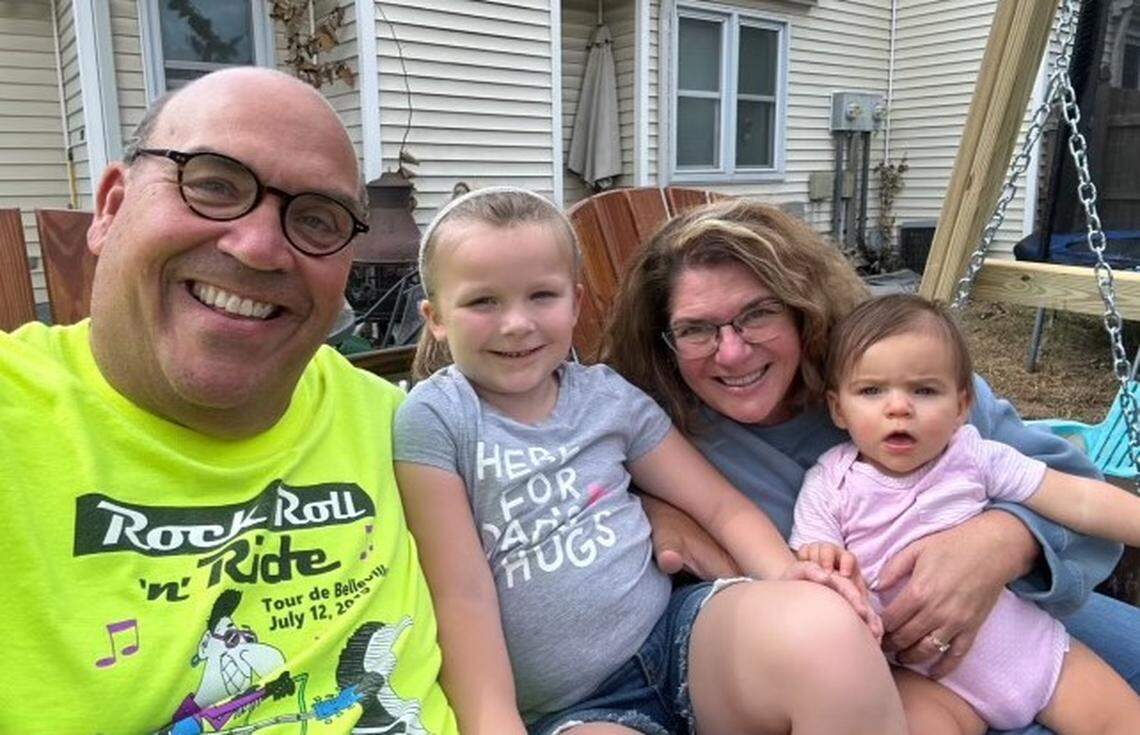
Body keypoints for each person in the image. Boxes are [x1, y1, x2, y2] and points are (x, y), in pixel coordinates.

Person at [0, 68, 456, 735]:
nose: (260, 247)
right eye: (213, 185)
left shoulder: (401, 424)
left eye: (317, 219)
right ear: (111, 208)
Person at [601, 198, 1140, 735]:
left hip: (1018, 622)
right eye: (695, 329)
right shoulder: (663, 443)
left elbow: (1077, 492)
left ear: (802, 308)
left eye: (759, 313)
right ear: (664, 343)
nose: (732, 353)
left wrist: (1003, 541)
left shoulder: (899, 371)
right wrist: (653, 511)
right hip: (902, 681)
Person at [394, 187, 906, 734]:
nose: (517, 323)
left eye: (541, 295)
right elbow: (461, 595)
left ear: (576, 303)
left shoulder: (608, 397)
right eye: (483, 302)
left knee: (825, 631)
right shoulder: (439, 419)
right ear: (436, 317)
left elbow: (719, 505)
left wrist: (787, 575)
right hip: (577, 708)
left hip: (679, 637)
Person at [790, 293, 1140, 734]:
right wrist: (825, 563)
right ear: (839, 408)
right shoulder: (830, 483)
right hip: (927, 681)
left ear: (961, 406)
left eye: (924, 390)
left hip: (1036, 656)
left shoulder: (974, 457)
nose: (898, 407)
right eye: (871, 390)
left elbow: (1081, 500)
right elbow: (812, 563)